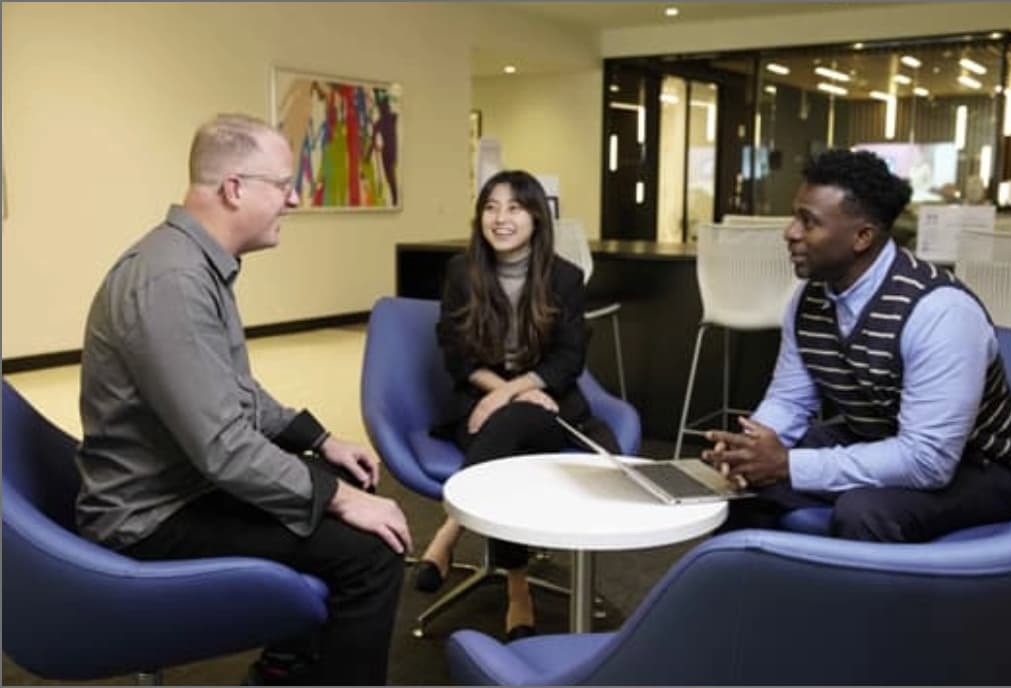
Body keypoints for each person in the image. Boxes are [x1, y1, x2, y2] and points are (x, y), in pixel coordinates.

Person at [75, 113, 411, 685]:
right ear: (234, 189)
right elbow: (224, 448)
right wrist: (336, 500)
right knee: (371, 551)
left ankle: (286, 665)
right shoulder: (171, 282)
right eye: (283, 185)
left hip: (183, 485)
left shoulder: (193, 264)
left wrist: (319, 442)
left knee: (341, 491)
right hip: (151, 516)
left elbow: (234, 394)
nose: (294, 199)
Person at [702, 149, 1011, 542]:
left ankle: (852, 606)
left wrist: (788, 465)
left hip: (984, 466)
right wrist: (752, 449)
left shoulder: (940, 312)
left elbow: (928, 461)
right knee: (741, 476)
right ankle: (744, 599)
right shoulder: (809, 299)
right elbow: (790, 401)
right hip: (882, 436)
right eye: (795, 216)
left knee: (864, 512)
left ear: (862, 236)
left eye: (808, 222)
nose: (790, 232)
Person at [414, 169, 622, 639]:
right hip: (482, 402)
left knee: (516, 420)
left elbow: (569, 359)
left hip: (547, 402)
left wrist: (511, 392)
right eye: (491, 206)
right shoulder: (461, 272)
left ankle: (449, 529)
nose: (500, 218)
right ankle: (517, 588)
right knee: (509, 450)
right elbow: (455, 353)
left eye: (514, 207)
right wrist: (502, 393)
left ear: (536, 217)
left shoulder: (565, 276)